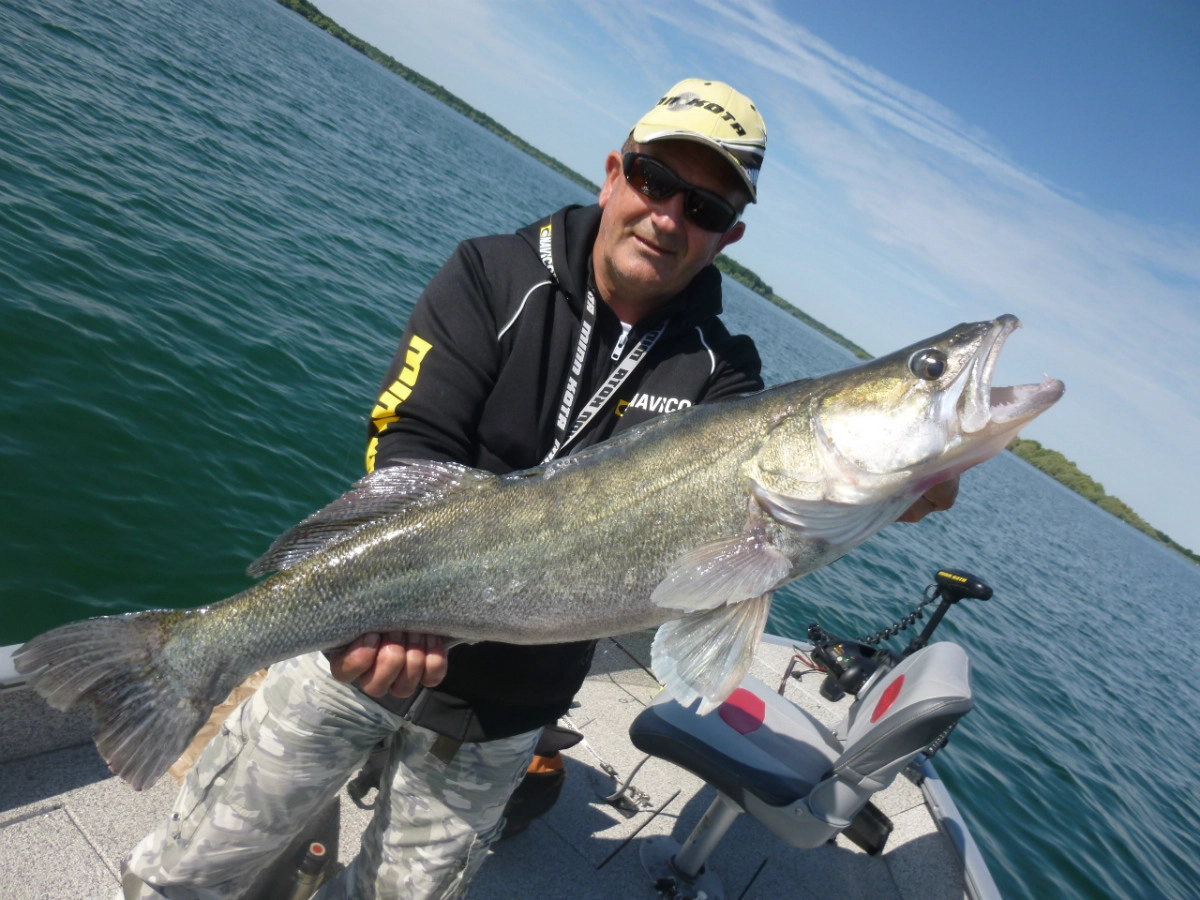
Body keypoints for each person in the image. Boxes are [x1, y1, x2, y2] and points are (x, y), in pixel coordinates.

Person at [120, 78, 954, 900]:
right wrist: (371, 610)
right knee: (184, 875)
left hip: (502, 716)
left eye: (702, 208)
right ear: (613, 172)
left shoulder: (724, 374)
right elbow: (412, 445)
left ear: (728, 237)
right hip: (348, 651)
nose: (668, 217)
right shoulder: (492, 273)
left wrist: (883, 495)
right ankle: (189, 654)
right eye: (656, 181)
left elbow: (744, 544)